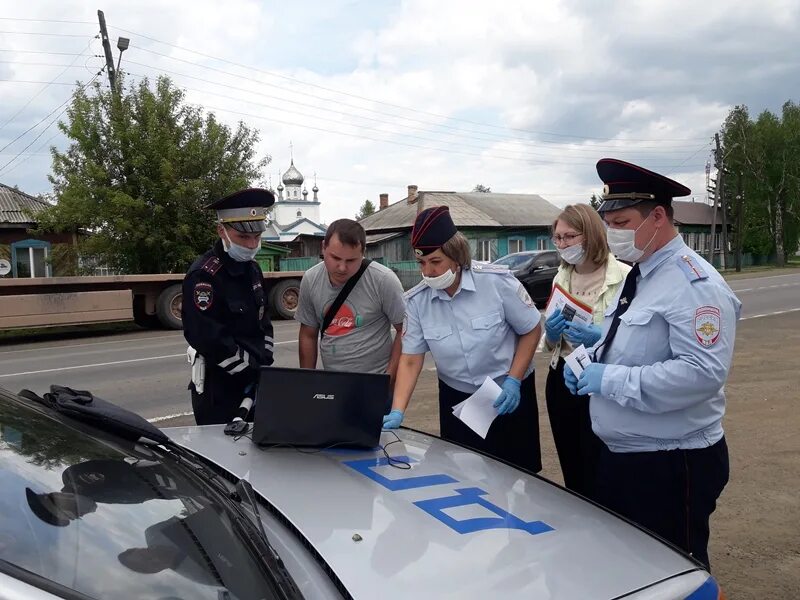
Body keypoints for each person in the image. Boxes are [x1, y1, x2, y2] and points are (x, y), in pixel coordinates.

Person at [564, 158, 741, 569]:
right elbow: (630, 343)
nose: (613, 234)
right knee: (632, 569)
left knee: (673, 573)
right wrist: (591, 359)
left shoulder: (694, 284)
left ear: (658, 216)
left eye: (622, 222)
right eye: (609, 223)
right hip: (626, 456)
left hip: (671, 463)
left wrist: (607, 379)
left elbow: (701, 375)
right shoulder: (642, 274)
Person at [383, 206, 544, 473]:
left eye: (436, 262)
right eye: (422, 263)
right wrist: (398, 410)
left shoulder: (495, 282)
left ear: (457, 257)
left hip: (508, 393)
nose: (428, 272)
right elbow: (411, 360)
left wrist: (515, 380)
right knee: (465, 477)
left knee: (520, 478)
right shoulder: (417, 301)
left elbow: (531, 329)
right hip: (458, 400)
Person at [543, 203, 630, 500]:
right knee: (572, 462)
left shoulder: (624, 277)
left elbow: (633, 338)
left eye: (569, 236)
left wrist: (599, 336)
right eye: (558, 238)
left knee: (601, 464)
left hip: (600, 380)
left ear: (590, 234)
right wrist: (551, 336)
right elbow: (549, 343)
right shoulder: (560, 277)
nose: (562, 244)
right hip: (561, 379)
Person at [182, 188, 275, 425]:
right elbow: (207, 337)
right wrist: (249, 371)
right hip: (220, 389)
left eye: (256, 236)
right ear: (221, 230)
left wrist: (264, 363)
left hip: (257, 381)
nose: (252, 244)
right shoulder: (204, 276)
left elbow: (263, 321)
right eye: (244, 237)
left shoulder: (252, 269)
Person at [295, 219, 405, 382]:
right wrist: (307, 382)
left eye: (351, 261)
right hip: (333, 385)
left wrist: (389, 377)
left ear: (363, 253)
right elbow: (308, 334)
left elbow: (405, 330)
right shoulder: (311, 280)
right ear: (323, 247)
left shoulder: (383, 280)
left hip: (375, 383)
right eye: (335, 258)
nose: (342, 268)